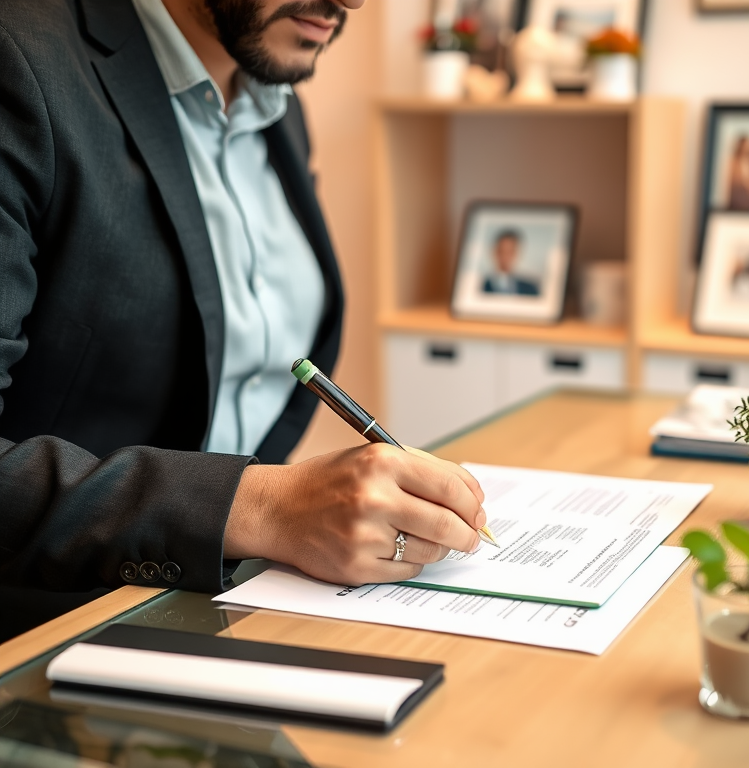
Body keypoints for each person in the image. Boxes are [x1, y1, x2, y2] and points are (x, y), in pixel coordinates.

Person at [0, 0, 487, 641]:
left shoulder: (274, 102)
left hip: (222, 601)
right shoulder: (22, 61)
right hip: (48, 632)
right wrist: (259, 507)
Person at [481, 229, 540, 296]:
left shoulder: (530, 288)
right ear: (494, 252)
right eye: (502, 251)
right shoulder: (480, 286)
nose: (505, 257)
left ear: (516, 254)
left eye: (510, 252)